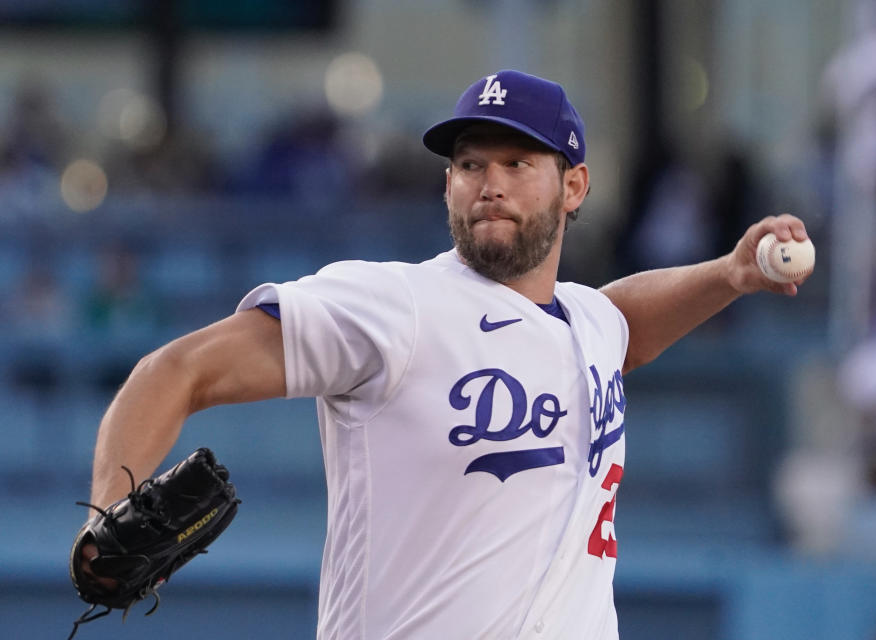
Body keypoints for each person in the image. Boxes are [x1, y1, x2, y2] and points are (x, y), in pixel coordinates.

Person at [81, 70, 810, 639]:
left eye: (518, 161)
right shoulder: (393, 306)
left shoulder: (589, 323)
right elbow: (175, 371)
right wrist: (106, 512)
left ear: (575, 186)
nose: (489, 184)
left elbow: (623, 321)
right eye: (469, 164)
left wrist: (729, 275)